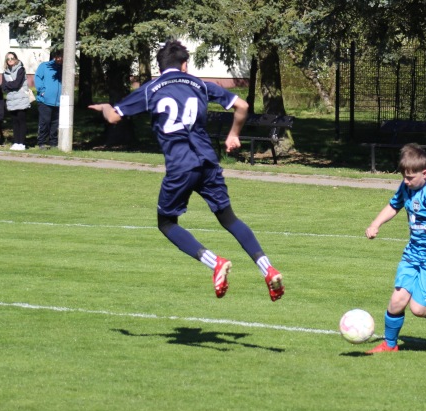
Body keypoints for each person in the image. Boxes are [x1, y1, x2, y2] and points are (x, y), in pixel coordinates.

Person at [88, 40, 284, 301]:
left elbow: (114, 116)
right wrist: (233, 135)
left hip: (180, 166)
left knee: (166, 223)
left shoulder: (151, 88)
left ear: (160, 68)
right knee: (229, 219)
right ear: (184, 65)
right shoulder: (199, 84)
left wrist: (104, 107)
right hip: (208, 162)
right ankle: (267, 269)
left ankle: (215, 263)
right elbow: (243, 106)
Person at [365, 144, 426, 354]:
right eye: (404, 177)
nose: (405, 181)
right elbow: (394, 205)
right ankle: (390, 345)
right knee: (396, 301)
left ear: (425, 174)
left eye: (410, 178)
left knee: (419, 309)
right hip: (413, 255)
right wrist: (375, 224)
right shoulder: (407, 187)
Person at [34, 49, 63, 149]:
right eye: (59, 56)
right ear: (55, 56)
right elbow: (38, 77)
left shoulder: (64, 68)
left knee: (55, 123)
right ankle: (41, 142)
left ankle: (53, 143)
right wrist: (42, 91)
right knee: (45, 122)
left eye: (62, 57)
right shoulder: (45, 66)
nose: (60, 59)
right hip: (45, 101)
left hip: (59, 102)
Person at [1, 52, 30, 151]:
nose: (10, 60)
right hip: (11, 100)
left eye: (12, 58)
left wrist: (8, 84)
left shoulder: (20, 69)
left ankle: (22, 143)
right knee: (14, 122)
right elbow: (3, 87)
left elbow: (17, 84)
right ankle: (16, 142)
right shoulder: (5, 73)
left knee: (21, 121)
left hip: (21, 99)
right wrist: (10, 85)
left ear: (16, 59)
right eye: (8, 59)